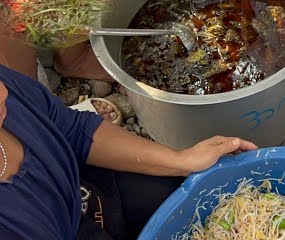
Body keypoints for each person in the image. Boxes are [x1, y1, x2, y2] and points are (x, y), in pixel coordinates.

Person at [0, 63, 255, 239]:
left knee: (176, 187)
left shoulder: (5, 91)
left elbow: (69, 129)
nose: (3, 92)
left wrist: (181, 160)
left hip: (85, 199)